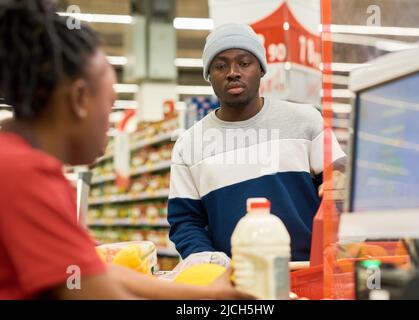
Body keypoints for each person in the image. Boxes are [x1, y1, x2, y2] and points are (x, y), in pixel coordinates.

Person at [0, 0, 252, 300]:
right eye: (110, 104)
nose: (111, 123)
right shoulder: (24, 175)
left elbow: (92, 269)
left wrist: (207, 296)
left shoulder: (16, 162)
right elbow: (98, 293)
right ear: (80, 99)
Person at [168, 23, 347, 263]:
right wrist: (212, 265)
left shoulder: (306, 120)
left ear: (261, 70)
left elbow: (339, 192)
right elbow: (186, 222)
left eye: (244, 63)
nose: (233, 72)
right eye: (220, 65)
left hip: (308, 272)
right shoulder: (188, 146)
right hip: (233, 283)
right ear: (209, 76)